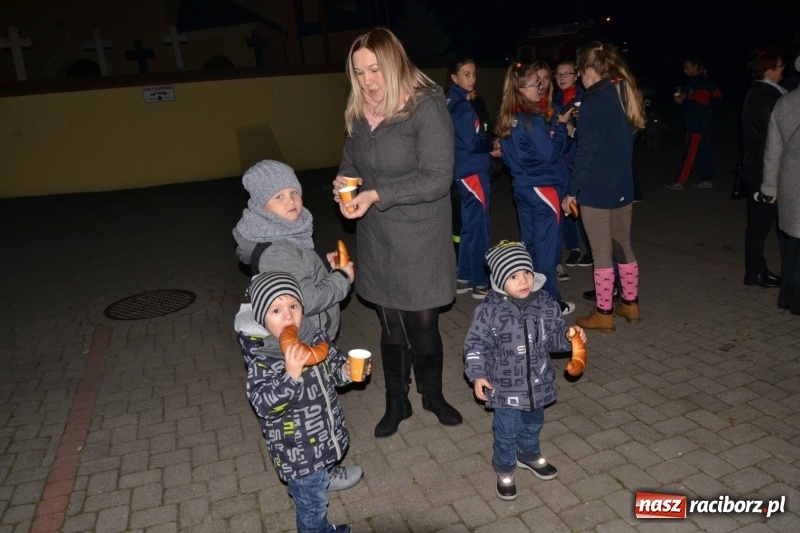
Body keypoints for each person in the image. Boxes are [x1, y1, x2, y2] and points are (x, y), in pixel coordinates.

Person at [332, 27, 462, 438]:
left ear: (394, 63)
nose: (368, 81)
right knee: (389, 324)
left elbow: (438, 178)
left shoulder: (425, 107)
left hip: (421, 235)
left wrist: (376, 193)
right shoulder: (358, 113)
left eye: (374, 69)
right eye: (359, 72)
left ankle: (433, 395)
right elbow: (350, 163)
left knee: (422, 323)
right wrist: (343, 185)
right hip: (377, 236)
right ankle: (396, 401)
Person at [235, 272, 365, 533]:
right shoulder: (264, 359)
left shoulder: (315, 337)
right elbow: (265, 406)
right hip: (297, 455)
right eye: (276, 310)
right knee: (313, 505)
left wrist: (347, 372)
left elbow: (333, 368)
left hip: (324, 436)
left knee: (319, 485)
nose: (287, 316)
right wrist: (291, 375)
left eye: (293, 306)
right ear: (262, 317)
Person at [464, 241, 586, 501]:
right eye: (513, 276)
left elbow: (554, 335)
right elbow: (476, 346)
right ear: (498, 281)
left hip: (538, 383)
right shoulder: (488, 312)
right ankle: (505, 468)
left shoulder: (545, 302)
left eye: (527, 273)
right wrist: (478, 374)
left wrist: (568, 336)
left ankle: (529, 454)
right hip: (505, 388)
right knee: (507, 431)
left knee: (534, 424)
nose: (523, 281)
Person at [562, 42, 646, 331]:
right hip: (623, 183)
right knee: (623, 246)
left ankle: (604, 312)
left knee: (600, 253)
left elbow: (587, 152)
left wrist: (572, 192)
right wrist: (576, 129)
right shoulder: (625, 92)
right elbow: (622, 136)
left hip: (597, 188)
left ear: (588, 70)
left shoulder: (593, 102)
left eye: (579, 72)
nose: (580, 79)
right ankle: (631, 305)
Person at [233, 160, 354, 340]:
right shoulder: (276, 251)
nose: (290, 200)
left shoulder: (283, 233)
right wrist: (342, 278)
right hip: (304, 336)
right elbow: (306, 300)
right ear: (261, 206)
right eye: (278, 196)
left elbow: (297, 266)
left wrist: (321, 262)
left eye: (294, 192)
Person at [495, 62, 576, 315]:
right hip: (542, 189)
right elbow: (552, 154)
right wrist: (562, 127)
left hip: (522, 188)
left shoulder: (507, 119)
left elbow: (508, 160)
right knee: (547, 249)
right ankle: (550, 304)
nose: (540, 88)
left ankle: (527, 298)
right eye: (534, 84)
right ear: (521, 88)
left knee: (529, 245)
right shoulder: (532, 119)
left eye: (540, 83)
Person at [446, 55, 502, 298]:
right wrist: (491, 145)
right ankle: (481, 282)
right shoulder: (461, 107)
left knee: (469, 227)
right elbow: (470, 142)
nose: (472, 78)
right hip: (472, 172)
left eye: (474, 74)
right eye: (466, 74)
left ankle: (465, 275)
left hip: (463, 171)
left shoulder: (451, 102)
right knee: (479, 228)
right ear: (454, 78)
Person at [742, 47, 787, 289]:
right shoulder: (769, 98)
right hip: (765, 172)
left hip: (758, 170)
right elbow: (772, 142)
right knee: (760, 226)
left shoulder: (758, 93)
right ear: (769, 71)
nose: (783, 70)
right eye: (780, 66)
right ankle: (755, 273)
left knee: (758, 226)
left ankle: (757, 271)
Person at [761, 72, 800, 315]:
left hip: (791, 180)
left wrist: (770, 187)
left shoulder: (785, 101)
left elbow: (773, 149)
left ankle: (788, 296)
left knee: (795, 244)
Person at [552, 58, 593, 270]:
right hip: (563, 160)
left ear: (576, 75)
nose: (562, 78)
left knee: (584, 208)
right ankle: (574, 248)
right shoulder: (554, 99)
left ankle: (591, 249)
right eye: (559, 74)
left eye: (567, 74)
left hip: (580, 160)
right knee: (566, 206)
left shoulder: (584, 97)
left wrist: (571, 127)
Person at [667, 57, 722, 190]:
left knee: (690, 152)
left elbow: (702, 106)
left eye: (687, 67)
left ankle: (680, 182)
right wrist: (684, 99)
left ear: (696, 67)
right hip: (697, 123)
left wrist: (684, 102)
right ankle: (706, 179)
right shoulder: (693, 83)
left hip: (697, 124)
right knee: (701, 151)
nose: (684, 70)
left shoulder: (701, 84)